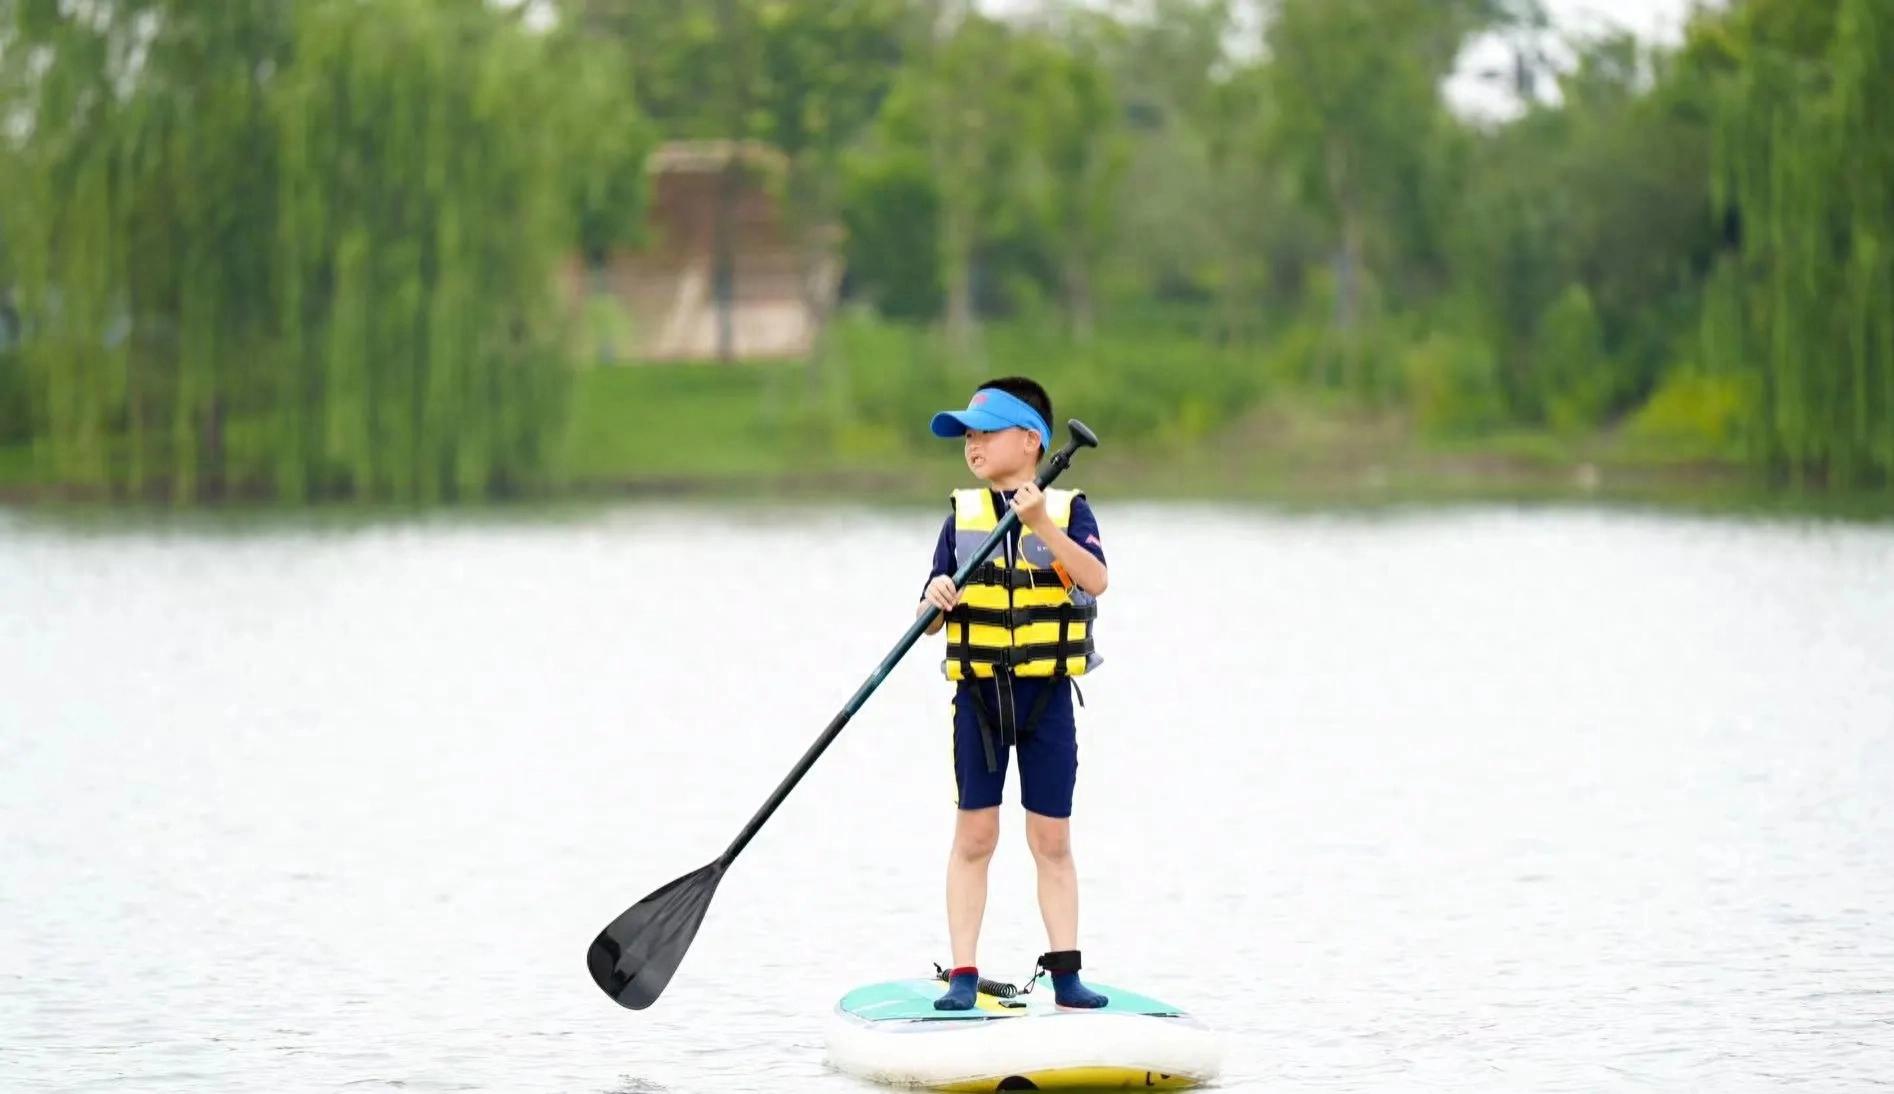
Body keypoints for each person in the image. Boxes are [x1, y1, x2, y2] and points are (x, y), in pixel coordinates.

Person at [917, 376, 1111, 1011]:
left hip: (1045, 699)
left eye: (985, 432)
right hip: (978, 701)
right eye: (967, 436)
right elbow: (931, 609)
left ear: (1031, 442)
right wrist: (936, 599)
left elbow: (1095, 581)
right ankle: (964, 977)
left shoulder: (1068, 509)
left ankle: (1066, 975)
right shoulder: (962, 516)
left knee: (1051, 840)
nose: (972, 445)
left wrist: (1037, 525)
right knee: (975, 836)